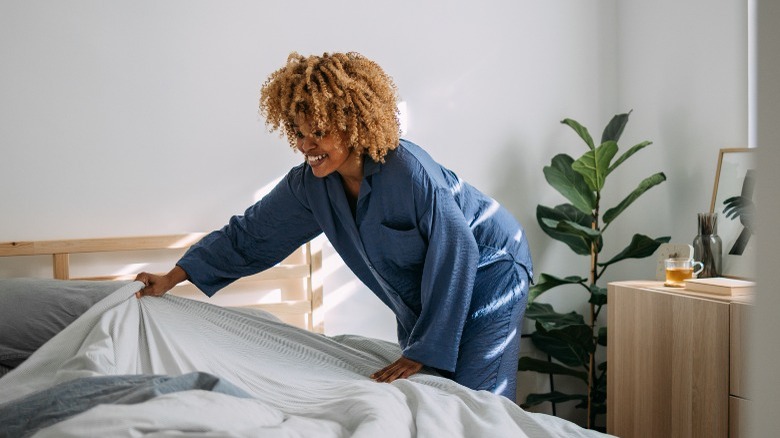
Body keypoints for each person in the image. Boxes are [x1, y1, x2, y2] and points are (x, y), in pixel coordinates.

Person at [135, 51, 533, 402]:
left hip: (492, 264)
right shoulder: (311, 185)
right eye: (299, 133)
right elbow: (251, 234)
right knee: (438, 392)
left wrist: (424, 349)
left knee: (479, 397)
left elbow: (457, 248)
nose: (307, 145)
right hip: (436, 288)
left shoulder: (409, 173)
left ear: (354, 123)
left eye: (319, 132)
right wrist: (174, 277)